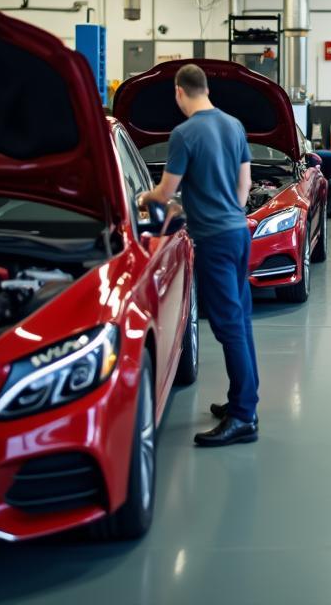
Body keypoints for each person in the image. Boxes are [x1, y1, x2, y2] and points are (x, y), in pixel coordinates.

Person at [140, 63, 260, 448]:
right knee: (241, 320)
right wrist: (228, 212)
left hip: (214, 241)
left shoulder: (184, 133)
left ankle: (244, 418)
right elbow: (246, 184)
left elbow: (165, 191)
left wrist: (143, 198)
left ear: (179, 92)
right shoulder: (235, 125)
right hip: (239, 233)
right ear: (204, 88)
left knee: (228, 328)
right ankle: (243, 402)